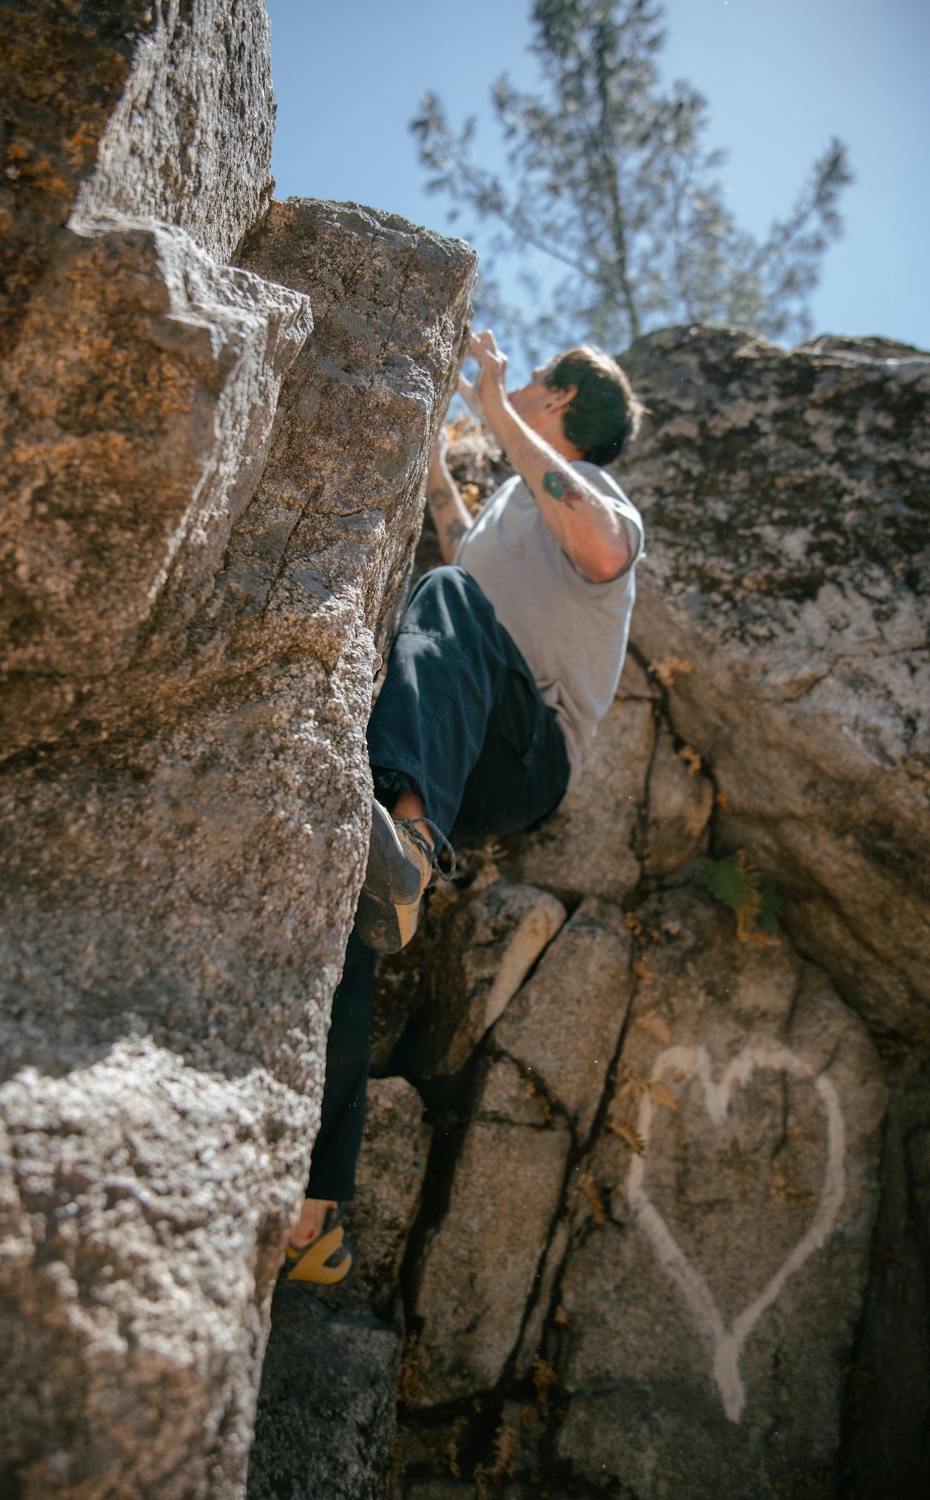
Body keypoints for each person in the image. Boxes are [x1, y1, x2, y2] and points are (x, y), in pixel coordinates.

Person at [282, 330, 645, 1285]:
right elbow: (454, 536)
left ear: (562, 402)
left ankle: (409, 834)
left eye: (533, 381)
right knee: (354, 905)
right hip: (463, 730)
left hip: (525, 759)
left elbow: (596, 550)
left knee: (441, 603)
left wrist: (492, 407)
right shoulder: (513, 517)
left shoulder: (598, 506)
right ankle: (316, 1215)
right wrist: (434, 422)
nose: (517, 386)